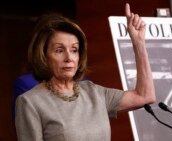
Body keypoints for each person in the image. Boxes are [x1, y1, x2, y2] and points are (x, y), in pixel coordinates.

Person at [15, 3, 155, 141]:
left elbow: (145, 96)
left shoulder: (94, 92)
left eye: (74, 50)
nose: (69, 58)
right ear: (44, 56)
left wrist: (139, 43)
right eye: (59, 50)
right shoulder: (30, 102)